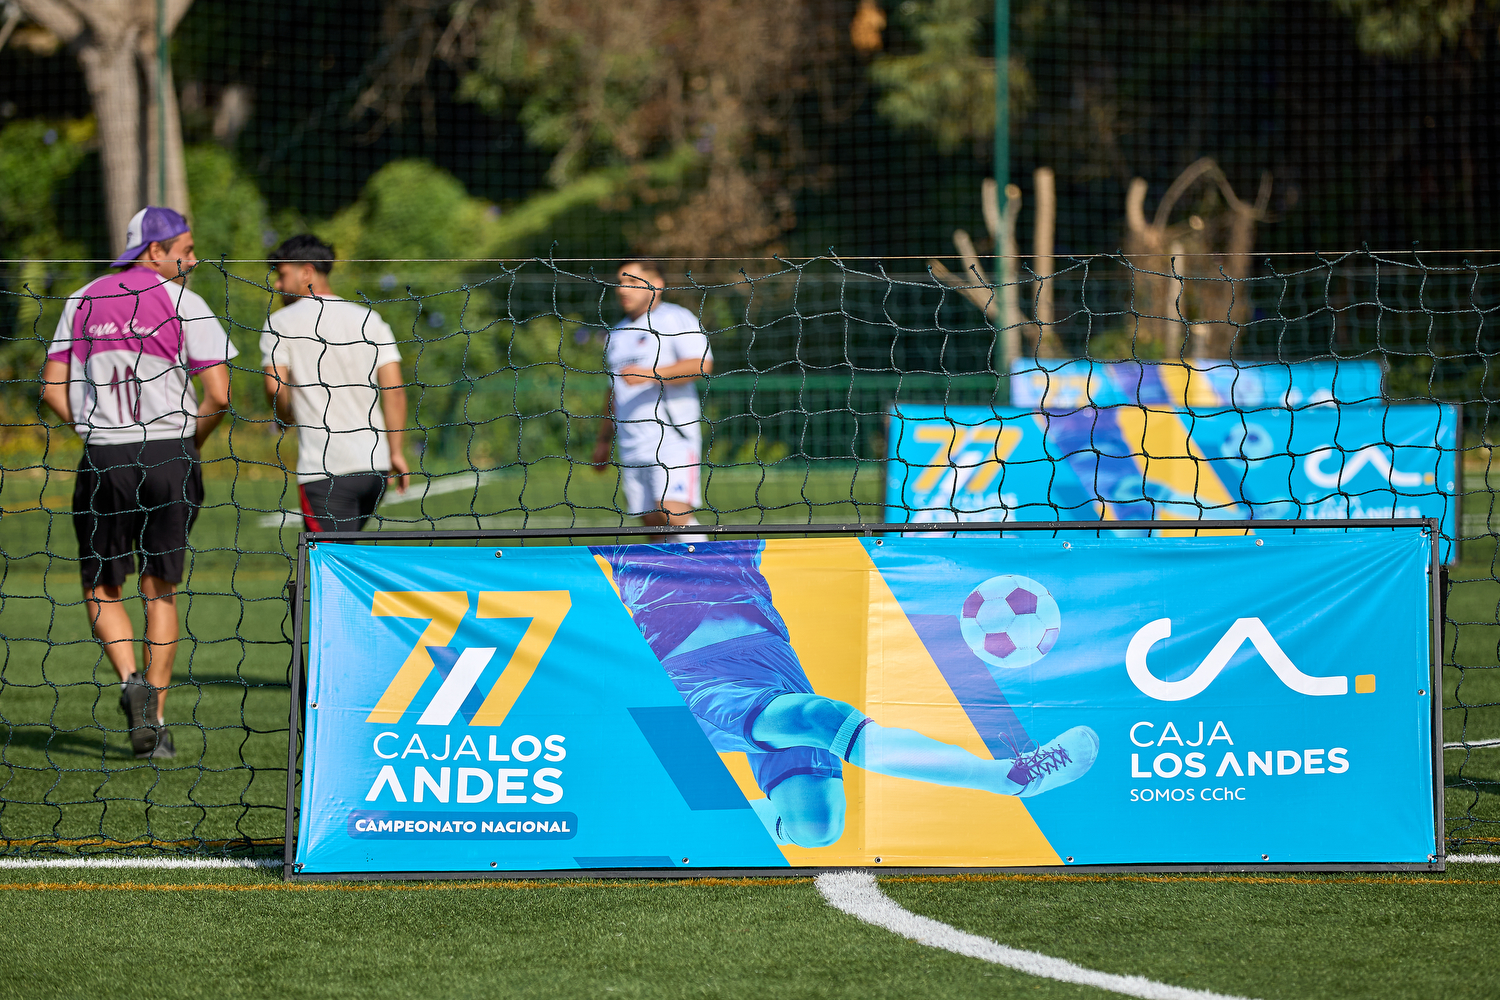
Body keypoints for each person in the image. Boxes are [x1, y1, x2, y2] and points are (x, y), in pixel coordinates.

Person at [592, 540, 1098, 848]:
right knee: (815, 717)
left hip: (772, 659)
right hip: (695, 677)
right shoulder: (626, 543)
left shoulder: (735, 533)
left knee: (816, 827)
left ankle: (679, 815)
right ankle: (1007, 777)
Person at [39, 206, 236, 760]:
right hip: (170, 454)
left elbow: (51, 388)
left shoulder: (82, 299)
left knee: (102, 586)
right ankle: (157, 720)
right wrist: (189, 443)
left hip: (106, 457)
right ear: (155, 250)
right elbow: (219, 395)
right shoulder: (183, 302)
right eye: (186, 250)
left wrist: (95, 432)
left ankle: (131, 681)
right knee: (161, 588)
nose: (193, 260)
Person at [260, 234, 409, 533]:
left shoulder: (280, 322)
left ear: (307, 272)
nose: (276, 284)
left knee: (328, 559)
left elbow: (275, 388)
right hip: (375, 468)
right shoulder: (369, 318)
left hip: (325, 472)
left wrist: (285, 416)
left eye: (282, 274)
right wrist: (395, 452)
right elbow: (394, 392)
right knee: (344, 553)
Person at [592, 260, 711, 541]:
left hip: (672, 436)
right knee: (653, 525)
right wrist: (603, 441)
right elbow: (613, 391)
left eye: (633, 282)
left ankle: (712, 566)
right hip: (631, 442)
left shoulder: (675, 318)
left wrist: (649, 373)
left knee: (673, 513)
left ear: (657, 285)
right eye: (620, 283)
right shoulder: (617, 334)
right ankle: (669, 571)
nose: (623, 289)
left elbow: (702, 365)